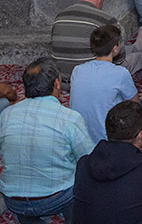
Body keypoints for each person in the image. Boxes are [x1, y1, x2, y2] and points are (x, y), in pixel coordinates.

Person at [0, 57, 92, 223]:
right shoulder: (70, 118)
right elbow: (88, 159)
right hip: (56, 198)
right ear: (56, 84)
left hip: (13, 199)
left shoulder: (6, 115)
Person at [51, 0, 142, 80]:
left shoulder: (60, 16)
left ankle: (138, 45)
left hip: (63, 80)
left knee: (121, 49)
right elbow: (120, 58)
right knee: (140, 56)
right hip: (92, 78)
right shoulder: (105, 19)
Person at [70, 25, 142, 143]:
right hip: (109, 136)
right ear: (115, 48)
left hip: (80, 136)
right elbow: (136, 105)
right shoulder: (120, 73)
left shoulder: (77, 70)